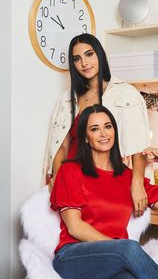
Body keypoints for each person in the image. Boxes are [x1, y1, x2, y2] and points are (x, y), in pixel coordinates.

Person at [50, 104, 158, 279]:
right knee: (130, 247)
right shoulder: (70, 170)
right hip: (73, 257)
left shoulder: (128, 178)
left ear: (114, 131)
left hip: (115, 259)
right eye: (95, 129)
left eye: (108, 126)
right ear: (86, 138)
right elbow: (75, 227)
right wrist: (120, 249)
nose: (103, 134)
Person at [43, 33, 151, 216]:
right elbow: (61, 146)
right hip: (72, 181)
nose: (84, 63)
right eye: (77, 59)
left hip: (104, 180)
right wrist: (58, 179)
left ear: (100, 54)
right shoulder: (68, 99)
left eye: (89, 54)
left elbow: (138, 146)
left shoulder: (125, 94)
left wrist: (137, 182)